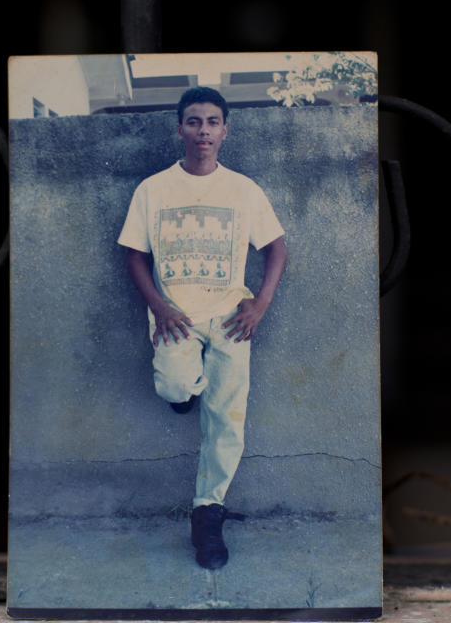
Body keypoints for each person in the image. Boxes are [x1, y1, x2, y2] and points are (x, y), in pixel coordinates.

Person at [117, 86, 287, 570]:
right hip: (177, 315)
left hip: (231, 317)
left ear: (225, 130)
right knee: (173, 384)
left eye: (213, 121)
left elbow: (276, 247)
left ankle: (208, 513)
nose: (203, 130)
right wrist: (159, 305)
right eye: (194, 121)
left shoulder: (243, 189)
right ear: (180, 128)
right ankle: (184, 392)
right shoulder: (153, 189)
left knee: (227, 417)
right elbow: (134, 255)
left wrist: (261, 303)